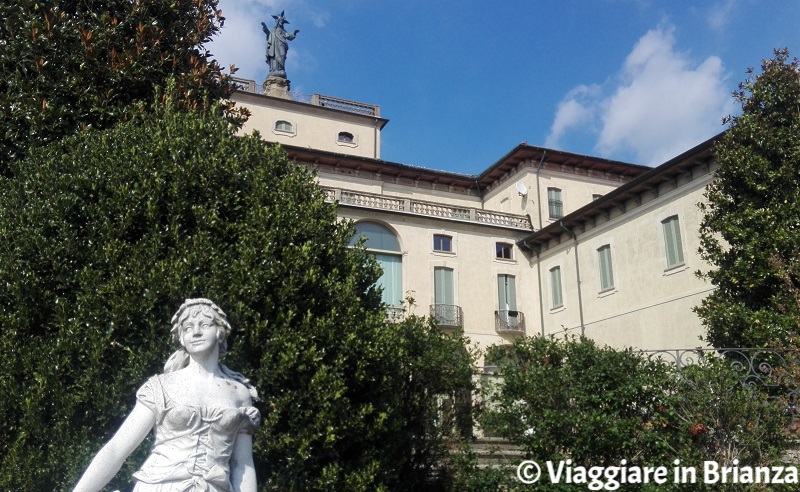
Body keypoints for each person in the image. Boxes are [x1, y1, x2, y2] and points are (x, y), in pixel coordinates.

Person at [73, 299, 260, 492]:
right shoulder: (162, 387)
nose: (195, 332)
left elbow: (242, 465)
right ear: (181, 338)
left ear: (219, 331)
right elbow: (116, 450)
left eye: (204, 325)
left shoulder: (238, 393)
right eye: (187, 328)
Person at [262, 11, 299, 78]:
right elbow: (268, 33)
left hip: (282, 45)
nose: (281, 22)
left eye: (282, 21)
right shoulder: (273, 30)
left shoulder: (284, 31)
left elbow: (289, 36)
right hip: (274, 45)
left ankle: (281, 69)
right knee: (274, 57)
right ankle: (274, 70)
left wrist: (294, 33)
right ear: (278, 21)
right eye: (280, 20)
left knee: (282, 55)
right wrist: (264, 27)